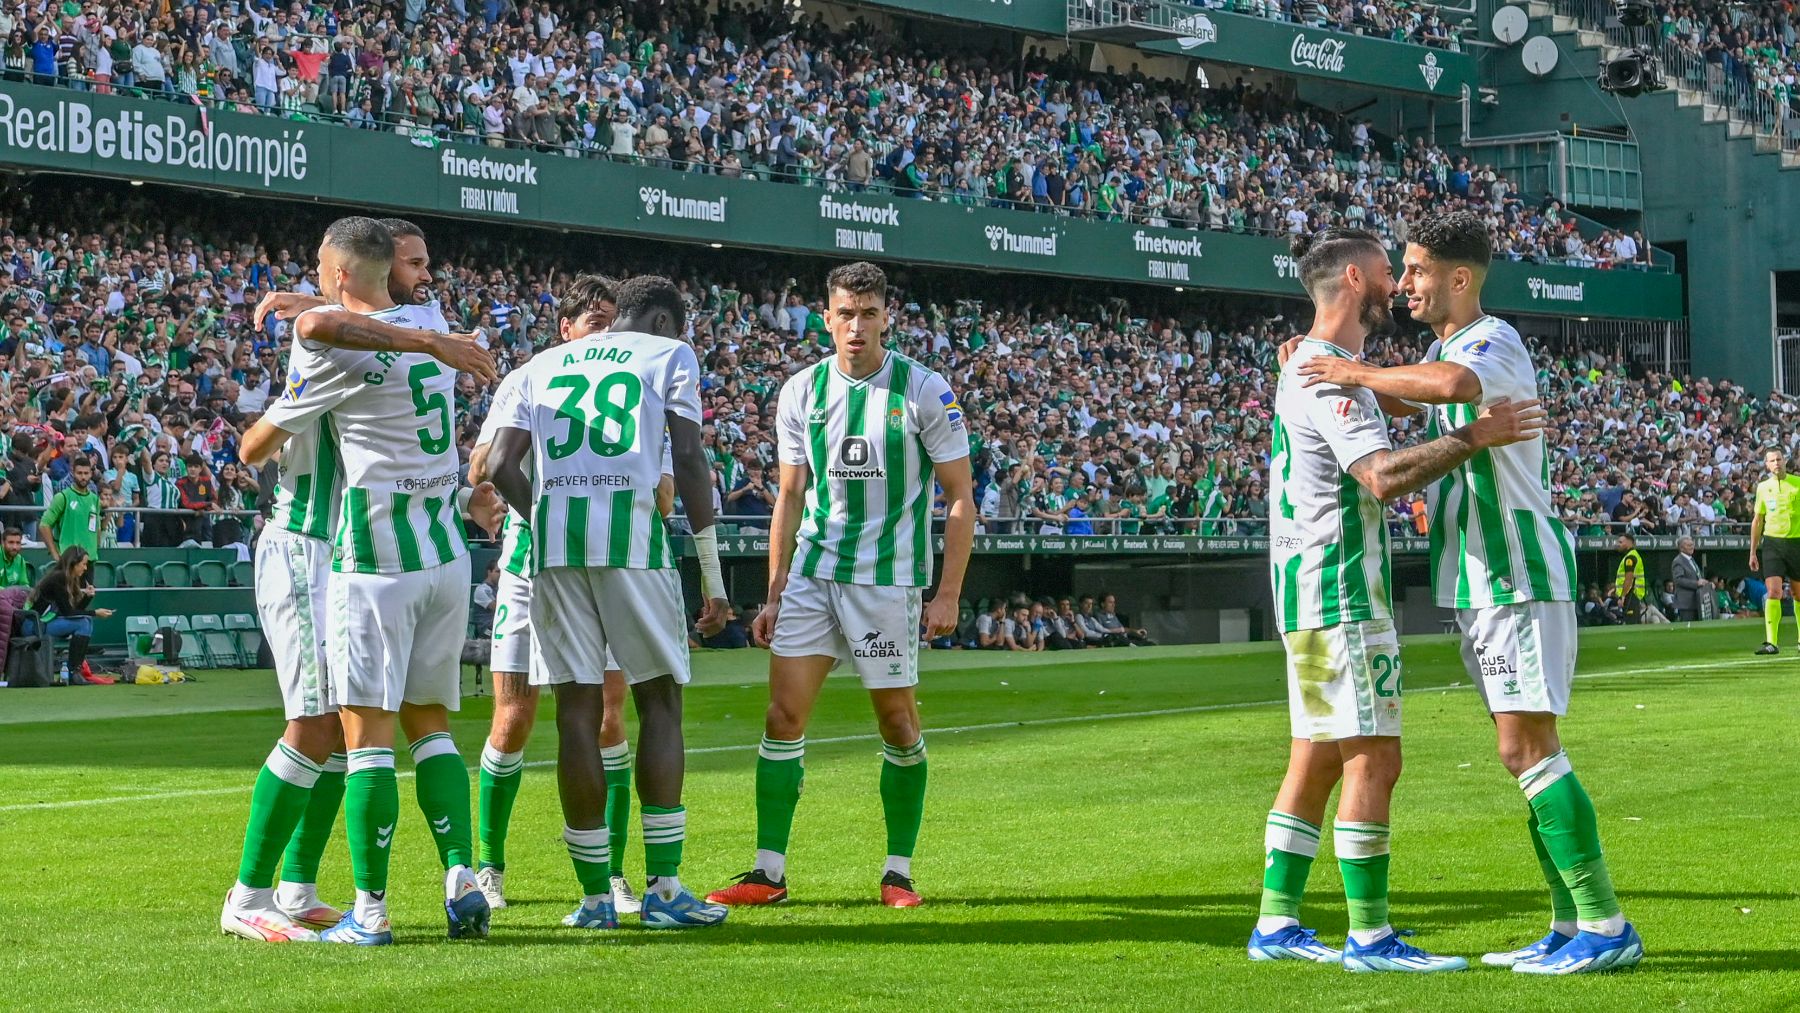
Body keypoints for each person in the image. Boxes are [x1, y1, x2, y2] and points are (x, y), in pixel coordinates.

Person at [1295, 210, 1641, 973]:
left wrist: (1351, 372)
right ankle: (1568, 923)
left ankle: (1605, 924)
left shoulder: (1491, 341)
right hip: (1485, 580)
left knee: (1529, 749)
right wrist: (1318, 355)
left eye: (1416, 269)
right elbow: (1426, 396)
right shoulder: (1443, 346)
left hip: (1513, 572)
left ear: (1459, 277)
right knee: (1524, 750)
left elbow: (1452, 386)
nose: (1405, 281)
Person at [1251, 226, 1545, 973]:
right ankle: (1372, 938)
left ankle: (1276, 921)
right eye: (1389, 272)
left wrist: (1359, 372)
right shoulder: (1331, 376)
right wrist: (1475, 436)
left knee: (1315, 757)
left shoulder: (1318, 367)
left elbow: (1406, 395)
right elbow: (1380, 477)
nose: (1397, 285)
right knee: (1376, 758)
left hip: (1304, 585)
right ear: (1354, 278)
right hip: (1342, 588)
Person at [222, 217, 493, 947]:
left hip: (361, 551)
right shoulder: (422, 330)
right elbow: (332, 317)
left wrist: (308, 306)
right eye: (414, 262)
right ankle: (252, 892)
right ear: (382, 271)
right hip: (315, 544)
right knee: (326, 725)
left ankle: (302, 887)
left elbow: (322, 322)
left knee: (346, 735)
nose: (425, 275)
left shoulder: (335, 339)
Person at [707, 261, 976, 910]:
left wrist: (948, 593)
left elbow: (960, 495)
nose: (856, 326)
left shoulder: (923, 390)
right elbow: (790, 494)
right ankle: (768, 872)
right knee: (783, 715)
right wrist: (773, 592)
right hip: (811, 578)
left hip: (885, 583)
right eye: (845, 314)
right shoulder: (800, 390)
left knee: (897, 723)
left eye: (869, 314)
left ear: (887, 317)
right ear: (825, 318)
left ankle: (898, 870)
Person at [484, 274, 731, 931]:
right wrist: (713, 576)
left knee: (575, 711)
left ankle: (595, 900)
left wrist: (546, 513)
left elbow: (498, 464)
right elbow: (687, 453)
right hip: (633, 544)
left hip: (554, 548)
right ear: (660, 319)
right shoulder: (667, 355)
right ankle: (666, 889)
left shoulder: (538, 365)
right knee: (658, 699)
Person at [26, 546, 113, 684]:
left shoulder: (67, 578)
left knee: (86, 621)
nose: (85, 568)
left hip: (47, 622)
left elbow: (73, 610)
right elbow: (69, 613)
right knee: (85, 622)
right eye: (83, 564)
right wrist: (95, 612)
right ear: (73, 563)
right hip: (35, 624)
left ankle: (76, 670)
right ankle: (73, 672)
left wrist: (88, 597)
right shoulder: (58, 578)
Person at [1748, 449, 1800, 654]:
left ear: (1785, 461)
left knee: (1798, 594)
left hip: (1796, 543)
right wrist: (1752, 551)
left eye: (1779, 459)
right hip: (1772, 543)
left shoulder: (1797, 483)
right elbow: (1758, 520)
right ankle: (1772, 642)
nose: (1776, 463)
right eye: (1772, 460)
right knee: (1774, 592)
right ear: (1767, 465)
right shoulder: (1763, 488)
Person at [40, 455, 100, 560]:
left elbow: (96, 528)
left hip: (89, 559)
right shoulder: (63, 497)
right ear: (73, 473)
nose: (83, 477)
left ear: (91, 473)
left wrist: (94, 549)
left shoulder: (95, 499)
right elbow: (44, 525)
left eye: (86, 473)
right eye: (79, 473)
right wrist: (54, 552)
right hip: (69, 558)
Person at [1613, 533, 1646, 625]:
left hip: (1631, 594)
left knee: (1631, 623)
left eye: (1620, 542)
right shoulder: (1633, 555)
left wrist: (1622, 596)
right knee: (1635, 622)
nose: (1617, 544)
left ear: (1628, 543)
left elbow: (1629, 578)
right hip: (1633, 594)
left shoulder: (1630, 557)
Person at [1670, 537, 1704, 622]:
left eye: (1692, 545)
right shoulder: (1678, 561)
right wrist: (1696, 583)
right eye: (1688, 545)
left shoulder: (1691, 560)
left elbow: (1698, 577)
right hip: (1686, 603)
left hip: (1696, 601)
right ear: (1681, 548)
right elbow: (1678, 580)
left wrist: (1706, 583)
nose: (1691, 547)